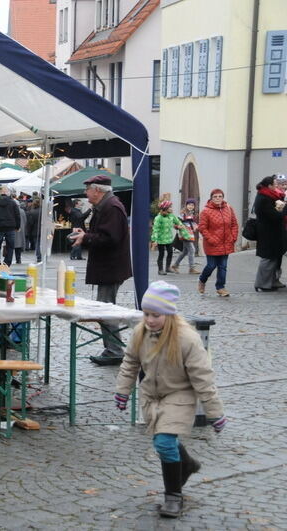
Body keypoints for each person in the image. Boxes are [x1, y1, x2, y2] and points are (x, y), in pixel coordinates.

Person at [114, 281, 227, 518]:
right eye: (146, 314)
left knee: (164, 443)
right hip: (151, 396)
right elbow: (130, 363)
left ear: (169, 314)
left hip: (180, 395)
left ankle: (174, 497)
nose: (150, 319)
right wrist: (123, 391)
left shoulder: (187, 339)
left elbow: (203, 378)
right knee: (165, 441)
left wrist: (214, 413)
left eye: (156, 315)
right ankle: (187, 465)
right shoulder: (140, 332)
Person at [69, 175, 132, 366]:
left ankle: (115, 350)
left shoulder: (111, 207)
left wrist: (86, 238)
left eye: (87, 189)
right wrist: (85, 235)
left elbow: (110, 238)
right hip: (109, 266)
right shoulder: (106, 205)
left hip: (111, 266)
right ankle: (112, 348)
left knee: (106, 308)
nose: (85, 193)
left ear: (97, 190)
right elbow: (104, 234)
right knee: (105, 307)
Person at [197, 189, 238, 297]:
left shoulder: (229, 208)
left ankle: (220, 287)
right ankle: (202, 280)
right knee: (211, 265)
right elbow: (202, 228)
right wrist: (211, 239)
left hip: (226, 243)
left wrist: (233, 237)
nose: (218, 198)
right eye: (215, 196)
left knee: (223, 266)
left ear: (223, 197)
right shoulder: (206, 211)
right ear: (211, 198)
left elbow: (234, 224)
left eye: (220, 196)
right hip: (212, 243)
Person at [252, 175, 286, 291]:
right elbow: (275, 216)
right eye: (275, 184)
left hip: (273, 232)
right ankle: (261, 284)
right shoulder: (264, 198)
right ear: (269, 186)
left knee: (273, 258)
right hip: (268, 233)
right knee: (268, 259)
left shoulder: (269, 195)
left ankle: (270, 282)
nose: (277, 186)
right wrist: (284, 208)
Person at [150, 200, 186, 276]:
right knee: (161, 254)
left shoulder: (171, 216)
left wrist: (180, 225)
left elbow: (178, 222)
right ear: (165, 208)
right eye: (170, 207)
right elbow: (155, 230)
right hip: (160, 240)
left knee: (170, 253)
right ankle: (160, 270)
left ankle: (168, 268)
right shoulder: (158, 218)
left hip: (169, 239)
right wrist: (154, 240)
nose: (171, 208)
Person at [0, 187, 21, 264]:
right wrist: (17, 226)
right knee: (10, 246)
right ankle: (7, 262)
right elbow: (17, 215)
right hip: (10, 227)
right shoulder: (13, 203)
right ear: (7, 193)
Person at [170, 199, 200, 274]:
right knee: (192, 250)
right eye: (189, 205)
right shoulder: (183, 214)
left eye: (192, 205)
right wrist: (178, 227)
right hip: (184, 235)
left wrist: (196, 227)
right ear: (186, 205)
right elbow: (175, 223)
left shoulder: (192, 213)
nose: (191, 206)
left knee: (185, 251)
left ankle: (175, 265)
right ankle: (192, 268)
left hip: (190, 234)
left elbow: (191, 223)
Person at [12, 195, 27, 264]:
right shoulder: (22, 211)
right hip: (20, 230)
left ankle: (9, 259)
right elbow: (25, 221)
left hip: (13, 230)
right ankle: (18, 259)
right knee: (18, 246)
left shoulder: (11, 211)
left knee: (11, 245)